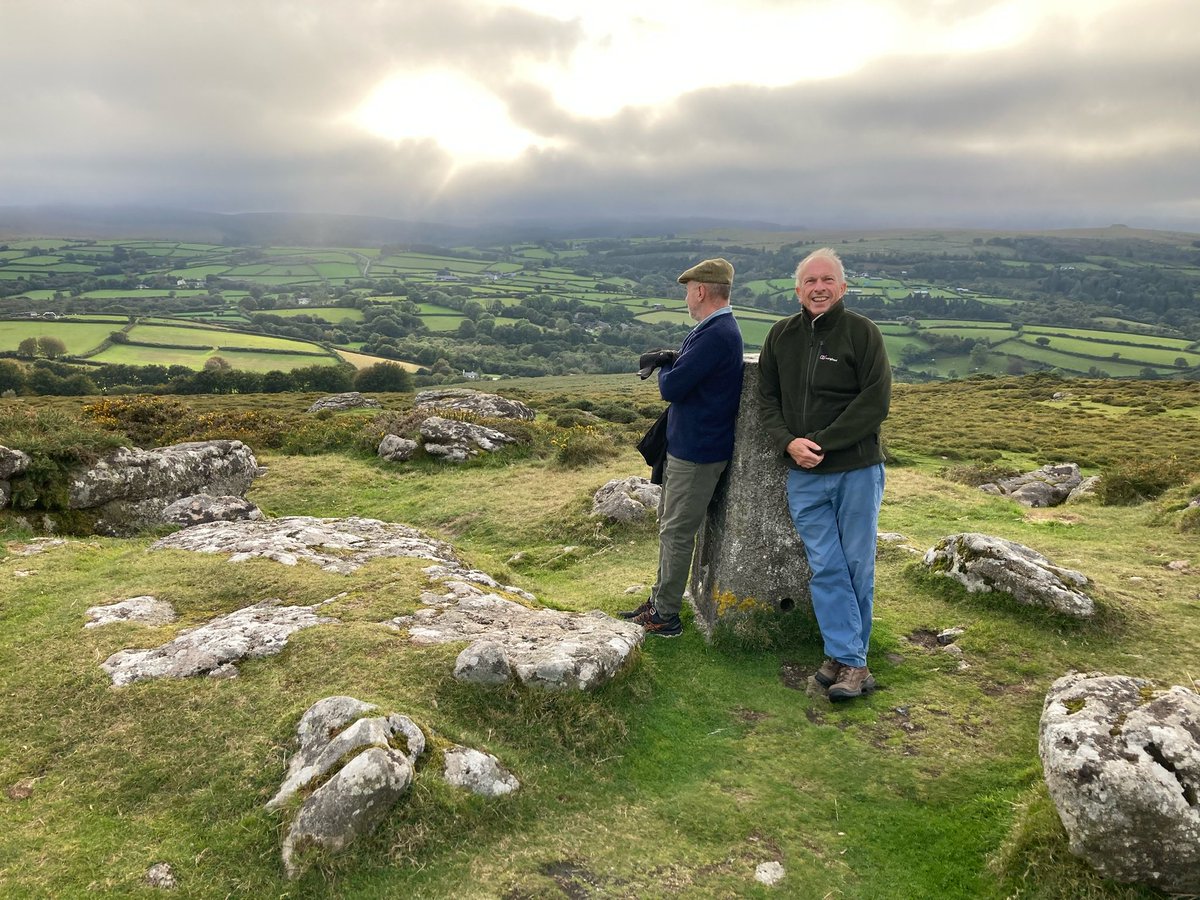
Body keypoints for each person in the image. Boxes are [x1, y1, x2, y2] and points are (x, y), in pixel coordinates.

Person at [756, 248, 891, 700]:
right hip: (803, 474)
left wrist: (823, 443)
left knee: (856, 566)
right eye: (810, 281)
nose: (818, 288)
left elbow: (875, 403)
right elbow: (767, 402)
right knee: (826, 568)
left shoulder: (863, 334)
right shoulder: (780, 337)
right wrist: (788, 442)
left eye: (827, 280)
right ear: (798, 290)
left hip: (856, 468)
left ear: (842, 288)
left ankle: (846, 661)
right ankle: (850, 659)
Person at [621, 257, 744, 637]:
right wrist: (676, 359)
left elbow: (670, 388)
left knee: (676, 532)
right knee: (670, 528)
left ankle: (666, 616)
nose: (687, 299)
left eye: (689, 291)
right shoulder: (714, 330)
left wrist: (668, 366)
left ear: (702, 291)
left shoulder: (716, 333)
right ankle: (659, 601)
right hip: (691, 447)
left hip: (697, 453)